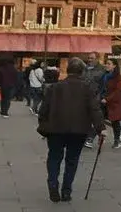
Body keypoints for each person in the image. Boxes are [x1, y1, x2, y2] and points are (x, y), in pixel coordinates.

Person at [37, 59, 103, 202]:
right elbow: (94, 109)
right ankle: (66, 190)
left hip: (56, 128)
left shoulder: (54, 88)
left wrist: (43, 125)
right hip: (78, 129)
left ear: (67, 71)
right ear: (82, 72)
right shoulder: (88, 88)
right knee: (72, 160)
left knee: (54, 157)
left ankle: (53, 183)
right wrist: (100, 128)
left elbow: (43, 110)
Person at [103, 71, 121, 144]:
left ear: (114, 66)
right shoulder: (104, 75)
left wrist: (107, 99)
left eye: (109, 65)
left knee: (115, 121)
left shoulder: (118, 77)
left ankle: (117, 140)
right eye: (106, 64)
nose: (107, 65)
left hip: (114, 102)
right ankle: (92, 138)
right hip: (104, 100)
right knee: (99, 119)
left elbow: (117, 91)